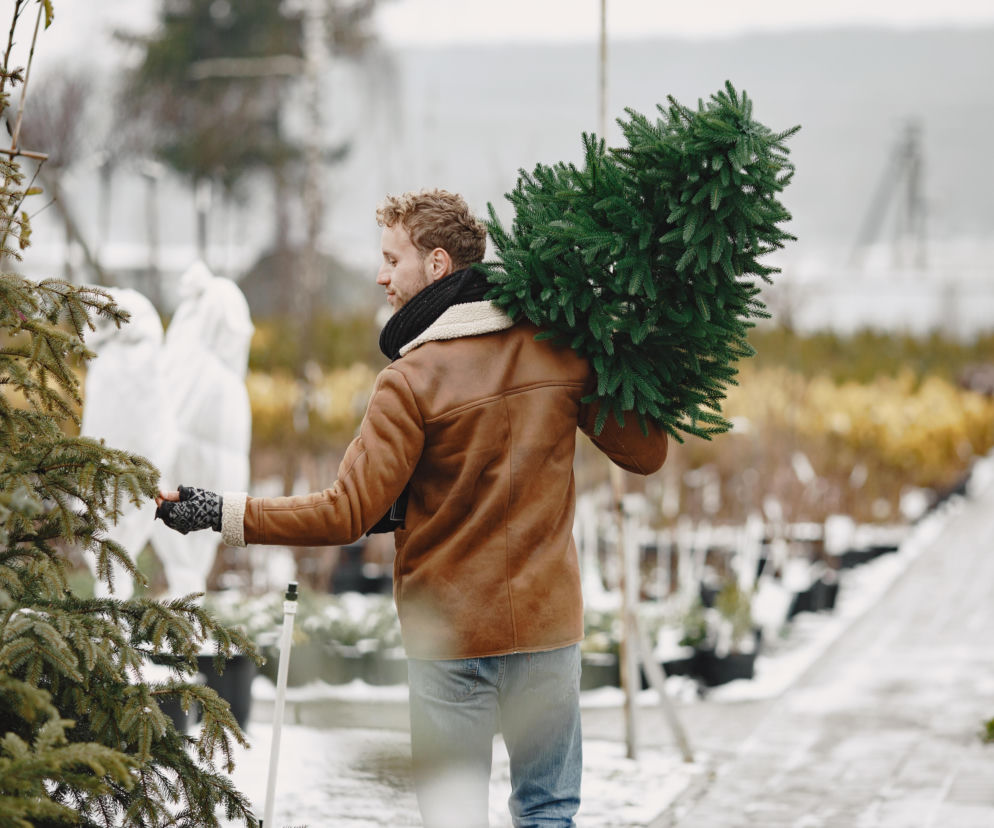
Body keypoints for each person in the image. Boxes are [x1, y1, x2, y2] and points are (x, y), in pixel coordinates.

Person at [156, 188, 668, 827]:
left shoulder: (410, 380)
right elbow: (646, 453)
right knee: (549, 812)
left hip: (450, 639)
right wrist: (620, 343)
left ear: (436, 266)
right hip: (545, 628)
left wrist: (222, 511)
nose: (379, 275)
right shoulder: (558, 346)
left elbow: (344, 512)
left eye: (391, 259)